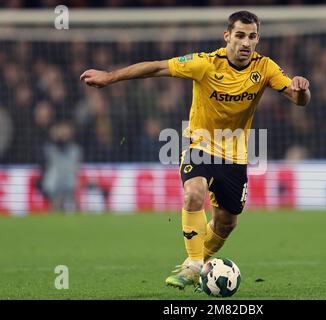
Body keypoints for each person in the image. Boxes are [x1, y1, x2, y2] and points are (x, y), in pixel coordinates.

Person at [80, 11, 310, 291]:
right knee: (194, 193)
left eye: (252, 36)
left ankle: (200, 268)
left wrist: (301, 89)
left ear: (257, 39)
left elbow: (299, 100)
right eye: (239, 35)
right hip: (199, 146)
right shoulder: (204, 63)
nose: (245, 43)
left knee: (226, 223)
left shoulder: (265, 68)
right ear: (227, 36)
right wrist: (109, 77)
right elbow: (156, 68)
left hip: (235, 157)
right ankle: (193, 264)